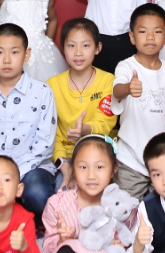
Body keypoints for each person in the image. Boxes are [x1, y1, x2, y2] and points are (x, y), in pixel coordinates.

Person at [0, 23, 59, 220]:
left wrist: (13, 175)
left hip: (32, 166)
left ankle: (23, 217)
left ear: (26, 54)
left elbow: (45, 144)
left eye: (14, 52)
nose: (7, 60)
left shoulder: (42, 91)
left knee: (38, 195)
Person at [108, 5, 165, 200]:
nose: (150, 37)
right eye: (143, 31)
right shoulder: (126, 67)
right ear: (132, 37)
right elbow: (117, 90)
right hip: (131, 160)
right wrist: (128, 88)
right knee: (124, 210)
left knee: (161, 211)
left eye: (157, 32)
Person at [48, 18, 116, 191]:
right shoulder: (53, 85)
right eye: (71, 46)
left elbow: (105, 122)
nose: (78, 52)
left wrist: (85, 130)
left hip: (99, 155)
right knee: (63, 192)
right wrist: (64, 165)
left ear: (98, 48)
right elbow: (50, 132)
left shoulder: (108, 81)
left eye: (85, 46)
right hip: (66, 157)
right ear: (63, 48)